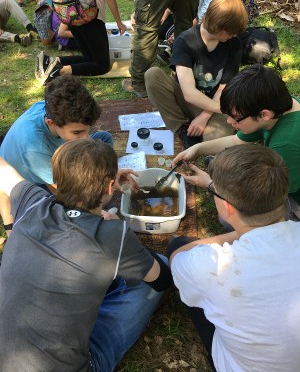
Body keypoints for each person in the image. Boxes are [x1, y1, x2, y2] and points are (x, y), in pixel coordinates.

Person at [0, 138, 172, 371]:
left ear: (56, 179)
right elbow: (161, 280)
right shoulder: (113, 234)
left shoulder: (31, 202)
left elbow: (3, 170)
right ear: (110, 188)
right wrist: (116, 228)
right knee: (155, 268)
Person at [169, 144, 300, 372]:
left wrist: (239, 233)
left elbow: (177, 259)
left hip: (238, 365)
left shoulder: (211, 265)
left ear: (227, 207)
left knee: (178, 245)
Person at [172, 64, 300, 219]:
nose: (229, 121)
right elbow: (238, 139)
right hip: (286, 179)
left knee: (230, 217)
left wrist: (211, 185)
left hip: (288, 195)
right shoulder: (278, 107)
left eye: (235, 117)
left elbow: (268, 197)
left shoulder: (285, 144)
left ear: (263, 115)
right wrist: (198, 148)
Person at [0, 75, 113, 237]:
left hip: (53, 158)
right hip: (31, 181)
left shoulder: (51, 109)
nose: (86, 138)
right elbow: (62, 192)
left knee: (104, 139)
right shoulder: (34, 148)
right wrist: (95, 212)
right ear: (52, 123)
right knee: (58, 209)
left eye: (87, 130)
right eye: (78, 132)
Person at [145, 0, 248, 149]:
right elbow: (189, 93)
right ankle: (182, 127)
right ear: (220, 27)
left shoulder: (233, 44)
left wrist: (205, 116)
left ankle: (199, 126)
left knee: (214, 142)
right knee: (152, 75)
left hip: (214, 103)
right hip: (191, 100)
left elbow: (223, 88)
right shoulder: (185, 41)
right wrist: (224, 110)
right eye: (231, 32)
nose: (234, 36)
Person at [122, 0, 206, 98]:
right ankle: (183, 80)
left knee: (147, 27)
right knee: (185, 26)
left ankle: (140, 83)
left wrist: (140, 5)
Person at [35, 0, 127, 85]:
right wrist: (119, 22)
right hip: (91, 15)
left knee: (89, 58)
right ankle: (58, 71)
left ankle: (51, 61)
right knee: (102, 66)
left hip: (70, 13)